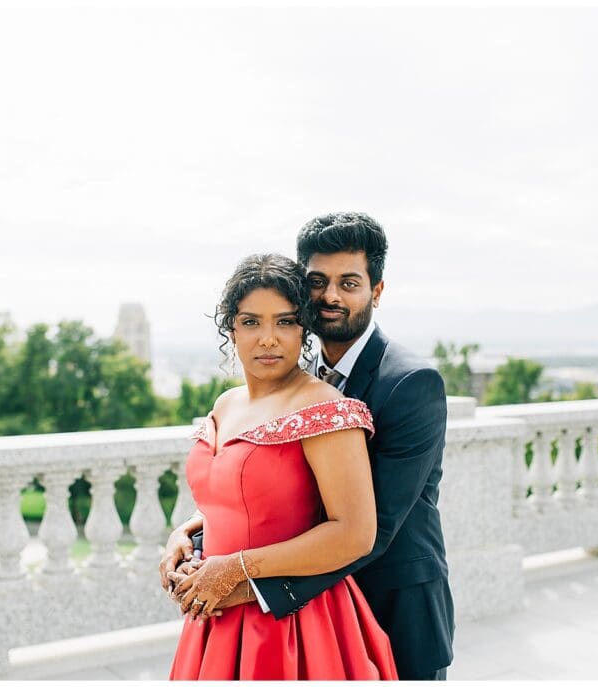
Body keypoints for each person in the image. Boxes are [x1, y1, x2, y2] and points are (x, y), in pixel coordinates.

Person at [163, 212, 454, 680]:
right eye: (318, 281)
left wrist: (248, 583)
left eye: (349, 282)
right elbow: (280, 488)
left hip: (389, 604)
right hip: (273, 601)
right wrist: (194, 535)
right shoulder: (285, 374)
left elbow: (371, 528)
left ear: (376, 291)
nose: (331, 296)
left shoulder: (410, 384)